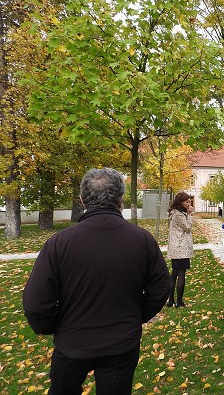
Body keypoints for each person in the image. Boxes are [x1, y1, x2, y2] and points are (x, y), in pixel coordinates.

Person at [22, 167, 171, 395]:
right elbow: (160, 289)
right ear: (121, 199)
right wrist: (136, 316)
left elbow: (35, 302)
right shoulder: (142, 240)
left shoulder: (59, 243)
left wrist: (53, 327)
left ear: (82, 200)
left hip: (77, 341)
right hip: (117, 342)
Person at [167, 191, 194, 308]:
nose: (189, 203)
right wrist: (189, 214)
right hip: (180, 247)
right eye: (187, 201)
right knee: (181, 274)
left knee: (174, 273)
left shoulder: (174, 213)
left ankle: (171, 301)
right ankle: (179, 302)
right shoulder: (178, 214)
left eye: (189, 201)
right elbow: (188, 227)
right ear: (180, 202)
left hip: (176, 247)